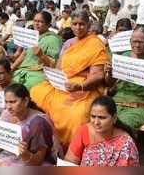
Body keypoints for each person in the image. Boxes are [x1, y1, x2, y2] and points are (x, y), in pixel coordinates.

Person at [30, 11, 108, 148]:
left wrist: (79, 86)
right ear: (70, 25)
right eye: (75, 24)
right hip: (63, 83)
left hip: (85, 87)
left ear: (89, 25)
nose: (78, 27)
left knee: (76, 114)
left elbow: (98, 75)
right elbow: (59, 67)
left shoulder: (95, 44)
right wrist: (54, 77)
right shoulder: (69, 43)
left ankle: (71, 149)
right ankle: (42, 139)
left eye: (82, 24)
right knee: (35, 93)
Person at [0, 83, 59, 166]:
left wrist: (25, 154)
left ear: (25, 101)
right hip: (10, 157)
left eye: (12, 102)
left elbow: (38, 162)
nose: (8, 107)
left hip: (33, 163)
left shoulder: (38, 122)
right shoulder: (7, 114)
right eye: (6, 102)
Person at [64, 96, 139, 166]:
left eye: (102, 118)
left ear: (114, 118)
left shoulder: (126, 143)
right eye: (93, 117)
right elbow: (70, 162)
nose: (96, 122)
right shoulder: (84, 131)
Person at [12, 11, 62, 89]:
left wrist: (41, 56)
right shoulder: (33, 36)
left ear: (48, 24)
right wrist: (11, 68)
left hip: (38, 74)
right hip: (22, 71)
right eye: (35, 21)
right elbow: (24, 54)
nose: (36, 23)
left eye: (40, 22)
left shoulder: (53, 39)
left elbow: (54, 65)